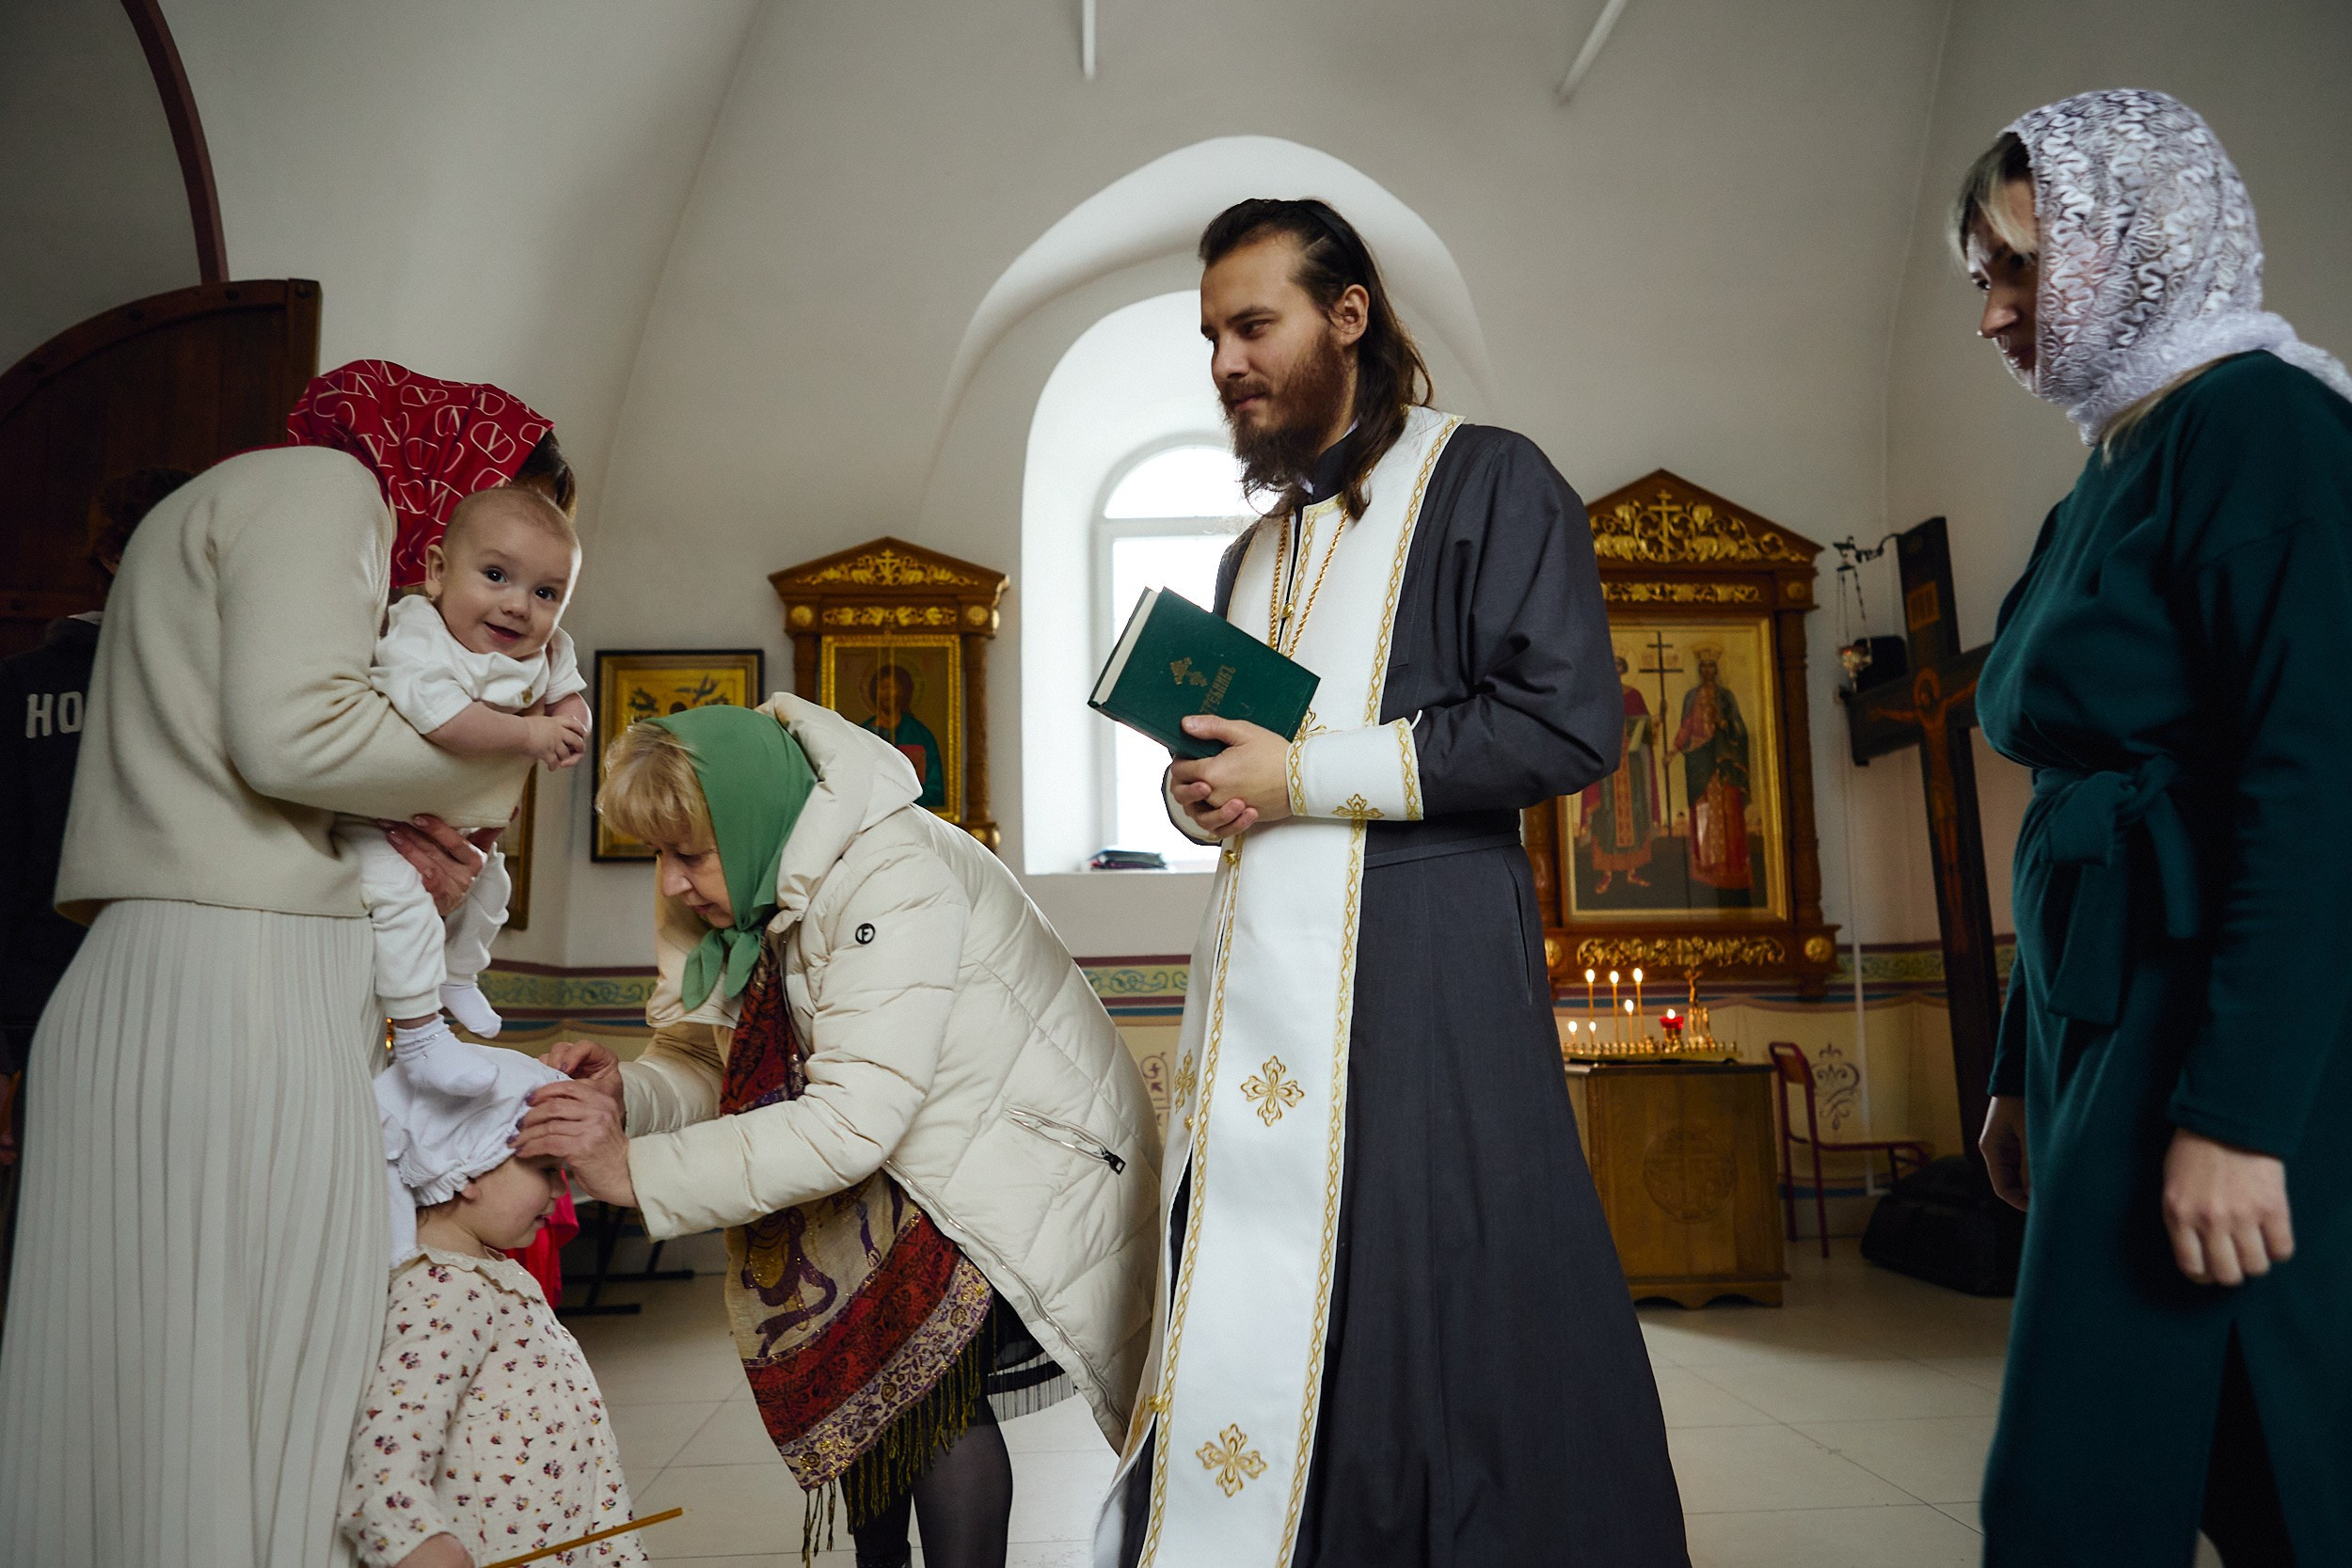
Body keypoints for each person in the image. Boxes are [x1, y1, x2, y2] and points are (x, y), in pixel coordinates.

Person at [1113, 198, 1688, 1567]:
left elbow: (1565, 724)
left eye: (1254, 324)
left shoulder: (1487, 478)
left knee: (1439, 1316)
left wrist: (1299, 775)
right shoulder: (1245, 554)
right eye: (1211, 335)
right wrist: (1199, 793)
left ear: (1350, 316)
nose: (1225, 361)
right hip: (1255, 995)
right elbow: (1234, 768)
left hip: (1425, 981)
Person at [0, 358, 574, 1567]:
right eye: (496, 536)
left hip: (199, 965)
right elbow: (293, 731)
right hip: (235, 984)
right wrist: (501, 766)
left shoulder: (269, 506)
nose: (508, 593)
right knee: (261, 1365)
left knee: (162, 1384)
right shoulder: (323, 495)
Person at [1963, 89, 2352, 1565]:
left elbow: (2318, 790)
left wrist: (2240, 1117)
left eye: (2015, 269)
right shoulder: (2114, 461)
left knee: (2080, 1486)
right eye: (1980, 280)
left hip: (2222, 1039)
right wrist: (2018, 1066)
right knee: (2224, 1453)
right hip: (2105, 1032)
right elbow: (2077, 814)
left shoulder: (2263, 429)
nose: (1991, 316)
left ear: (2137, 243)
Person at [514, 697, 1159, 1568]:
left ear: (747, 824)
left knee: (926, 1390)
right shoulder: (740, 888)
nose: (669, 881)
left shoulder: (890, 870)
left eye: (687, 853)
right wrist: (625, 1095)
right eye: (657, 855)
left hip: (1010, 1161)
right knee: (870, 1364)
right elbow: (713, 1067)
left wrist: (634, 1171)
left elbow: (852, 1120)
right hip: (912, 1157)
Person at [343, 1039, 644, 1568]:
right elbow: (387, 1453)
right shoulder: (439, 1291)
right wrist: (416, 1541)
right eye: (546, 1169)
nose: (560, 1192)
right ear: (470, 1166)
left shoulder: (491, 1270)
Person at [0, 467, 189, 1304]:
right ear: (111, 553)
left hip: (175, 1000)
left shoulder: (218, 685)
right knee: (60, 1241)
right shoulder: (19, 692)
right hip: (56, 1003)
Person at [337, 484, 593, 1099]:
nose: (517, 606)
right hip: (376, 822)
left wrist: (573, 728)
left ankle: (460, 975)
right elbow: (444, 721)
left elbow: (570, 698)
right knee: (397, 894)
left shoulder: (549, 648)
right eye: (497, 575)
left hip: (458, 822)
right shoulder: (417, 635)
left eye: (545, 593)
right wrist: (533, 735)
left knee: (490, 884)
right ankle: (421, 1035)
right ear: (436, 572)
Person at [1669, 644, 1751, 893]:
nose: (1707, 670)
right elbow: (1686, 727)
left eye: (1711, 666)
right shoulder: (1691, 697)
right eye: (1703, 666)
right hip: (1699, 762)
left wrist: (1726, 725)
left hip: (1723, 762)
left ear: (1716, 669)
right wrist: (1673, 751)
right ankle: (1706, 866)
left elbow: (1740, 729)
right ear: (1699, 669)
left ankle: (1731, 865)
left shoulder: (1726, 697)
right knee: (1703, 811)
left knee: (1728, 811)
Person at [1580, 655, 1660, 895]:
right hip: (1608, 772)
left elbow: (1645, 734)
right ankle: (1607, 874)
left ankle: (1632, 872)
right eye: (1611, 667)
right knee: (1607, 818)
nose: (1615, 671)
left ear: (1624, 670)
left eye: (1619, 667)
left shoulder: (1634, 696)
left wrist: (1654, 724)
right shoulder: (1599, 697)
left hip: (1631, 768)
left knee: (1634, 817)